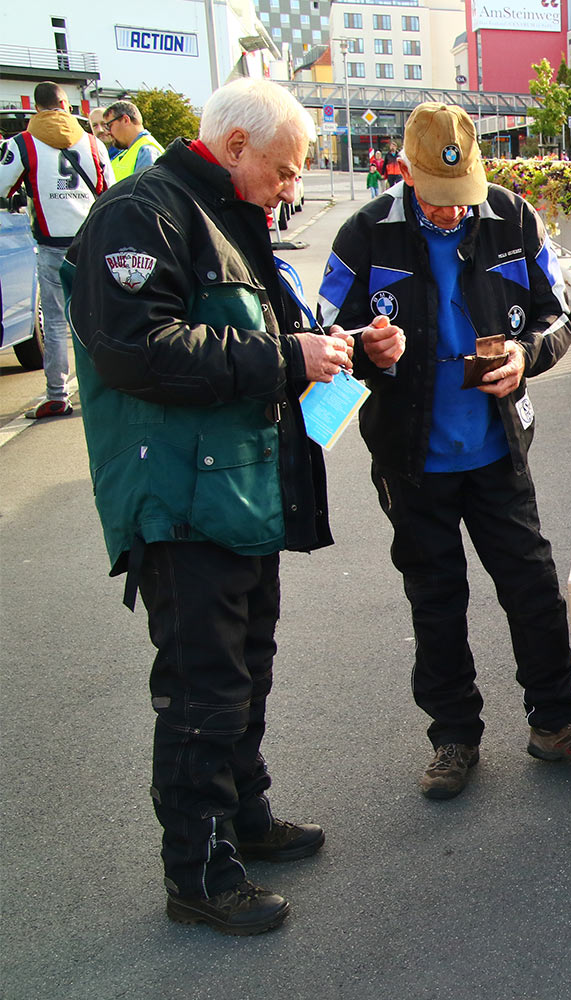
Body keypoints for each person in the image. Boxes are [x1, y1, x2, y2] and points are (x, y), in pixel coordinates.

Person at [64, 78, 353, 936]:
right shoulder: (141, 212)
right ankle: (198, 871)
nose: (291, 186)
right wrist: (283, 357)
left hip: (234, 490)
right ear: (233, 146)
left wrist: (324, 349)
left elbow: (253, 330)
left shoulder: (225, 211)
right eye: (283, 169)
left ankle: (246, 818)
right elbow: (135, 348)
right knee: (202, 693)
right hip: (179, 501)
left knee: (244, 671)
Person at [317, 102, 571, 801]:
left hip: (497, 450)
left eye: (466, 198)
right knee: (436, 600)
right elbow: (326, 342)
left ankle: (556, 722)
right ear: (404, 172)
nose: (456, 213)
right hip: (412, 459)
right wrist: (366, 351)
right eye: (439, 199)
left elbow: (561, 315)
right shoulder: (364, 234)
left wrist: (527, 354)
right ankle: (454, 736)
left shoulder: (514, 216)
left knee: (533, 591)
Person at [0, 81, 114, 419]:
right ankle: (110, 387)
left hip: (52, 247)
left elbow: (2, 186)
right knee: (101, 315)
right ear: (65, 104)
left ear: (37, 108)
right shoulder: (92, 142)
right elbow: (108, 189)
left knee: (54, 321)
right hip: (91, 242)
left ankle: (57, 395)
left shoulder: (22, 143)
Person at [100, 100, 164, 179]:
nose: (108, 132)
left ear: (125, 120)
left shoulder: (147, 151)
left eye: (109, 126)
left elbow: (146, 190)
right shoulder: (129, 153)